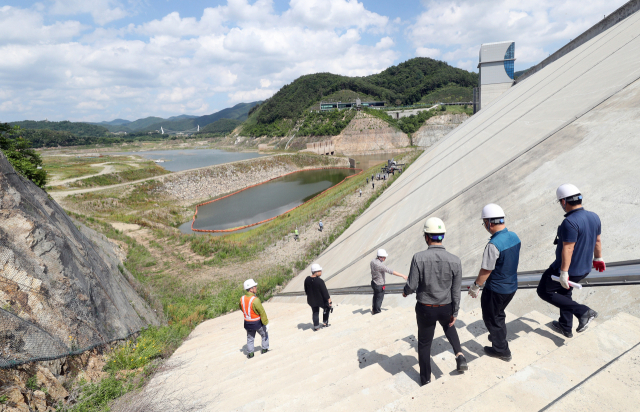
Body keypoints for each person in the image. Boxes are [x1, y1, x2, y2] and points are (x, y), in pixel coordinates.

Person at [403, 217, 467, 385]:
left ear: (427, 237)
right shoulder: (455, 260)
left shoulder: (418, 258)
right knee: (449, 325)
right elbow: (456, 290)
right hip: (446, 306)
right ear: (442, 236)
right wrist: (455, 311)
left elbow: (412, 284)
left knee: (424, 344)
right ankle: (460, 355)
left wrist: (405, 292)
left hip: (426, 308)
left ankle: (426, 379)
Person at [536, 184, 604, 338]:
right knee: (564, 293)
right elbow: (598, 241)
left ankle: (584, 312)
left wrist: (563, 272)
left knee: (544, 291)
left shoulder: (570, 222)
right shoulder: (594, 216)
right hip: (584, 269)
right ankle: (565, 326)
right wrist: (598, 258)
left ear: (564, 202)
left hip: (567, 269)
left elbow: (568, 249)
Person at [468, 204, 521, 362]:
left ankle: (501, 350)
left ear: (489, 223)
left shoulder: (493, 245)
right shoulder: (514, 237)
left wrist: (475, 287)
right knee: (499, 315)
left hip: (496, 290)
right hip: (511, 287)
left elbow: (486, 270)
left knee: (492, 318)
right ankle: (497, 337)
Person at [370, 249, 407, 315]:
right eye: (384, 257)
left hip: (373, 282)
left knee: (375, 296)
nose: (385, 258)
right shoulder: (380, 265)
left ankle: (374, 309)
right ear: (380, 257)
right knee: (379, 299)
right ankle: (377, 312)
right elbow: (390, 271)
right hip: (379, 285)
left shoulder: (372, 261)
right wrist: (402, 275)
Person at [240, 279, 269, 359]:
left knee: (250, 338)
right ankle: (264, 349)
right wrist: (266, 323)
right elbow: (262, 312)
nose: (256, 287)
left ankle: (250, 354)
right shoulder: (255, 300)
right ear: (251, 289)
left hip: (247, 323)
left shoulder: (242, 299)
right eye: (255, 286)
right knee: (264, 334)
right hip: (257, 323)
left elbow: (242, 308)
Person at [304, 263, 332, 331]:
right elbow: (324, 292)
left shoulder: (307, 279)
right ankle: (325, 323)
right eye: (320, 271)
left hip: (311, 300)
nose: (321, 272)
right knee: (327, 307)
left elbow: (306, 290)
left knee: (315, 312)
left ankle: (316, 327)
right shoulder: (320, 281)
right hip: (320, 300)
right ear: (316, 272)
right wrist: (329, 300)